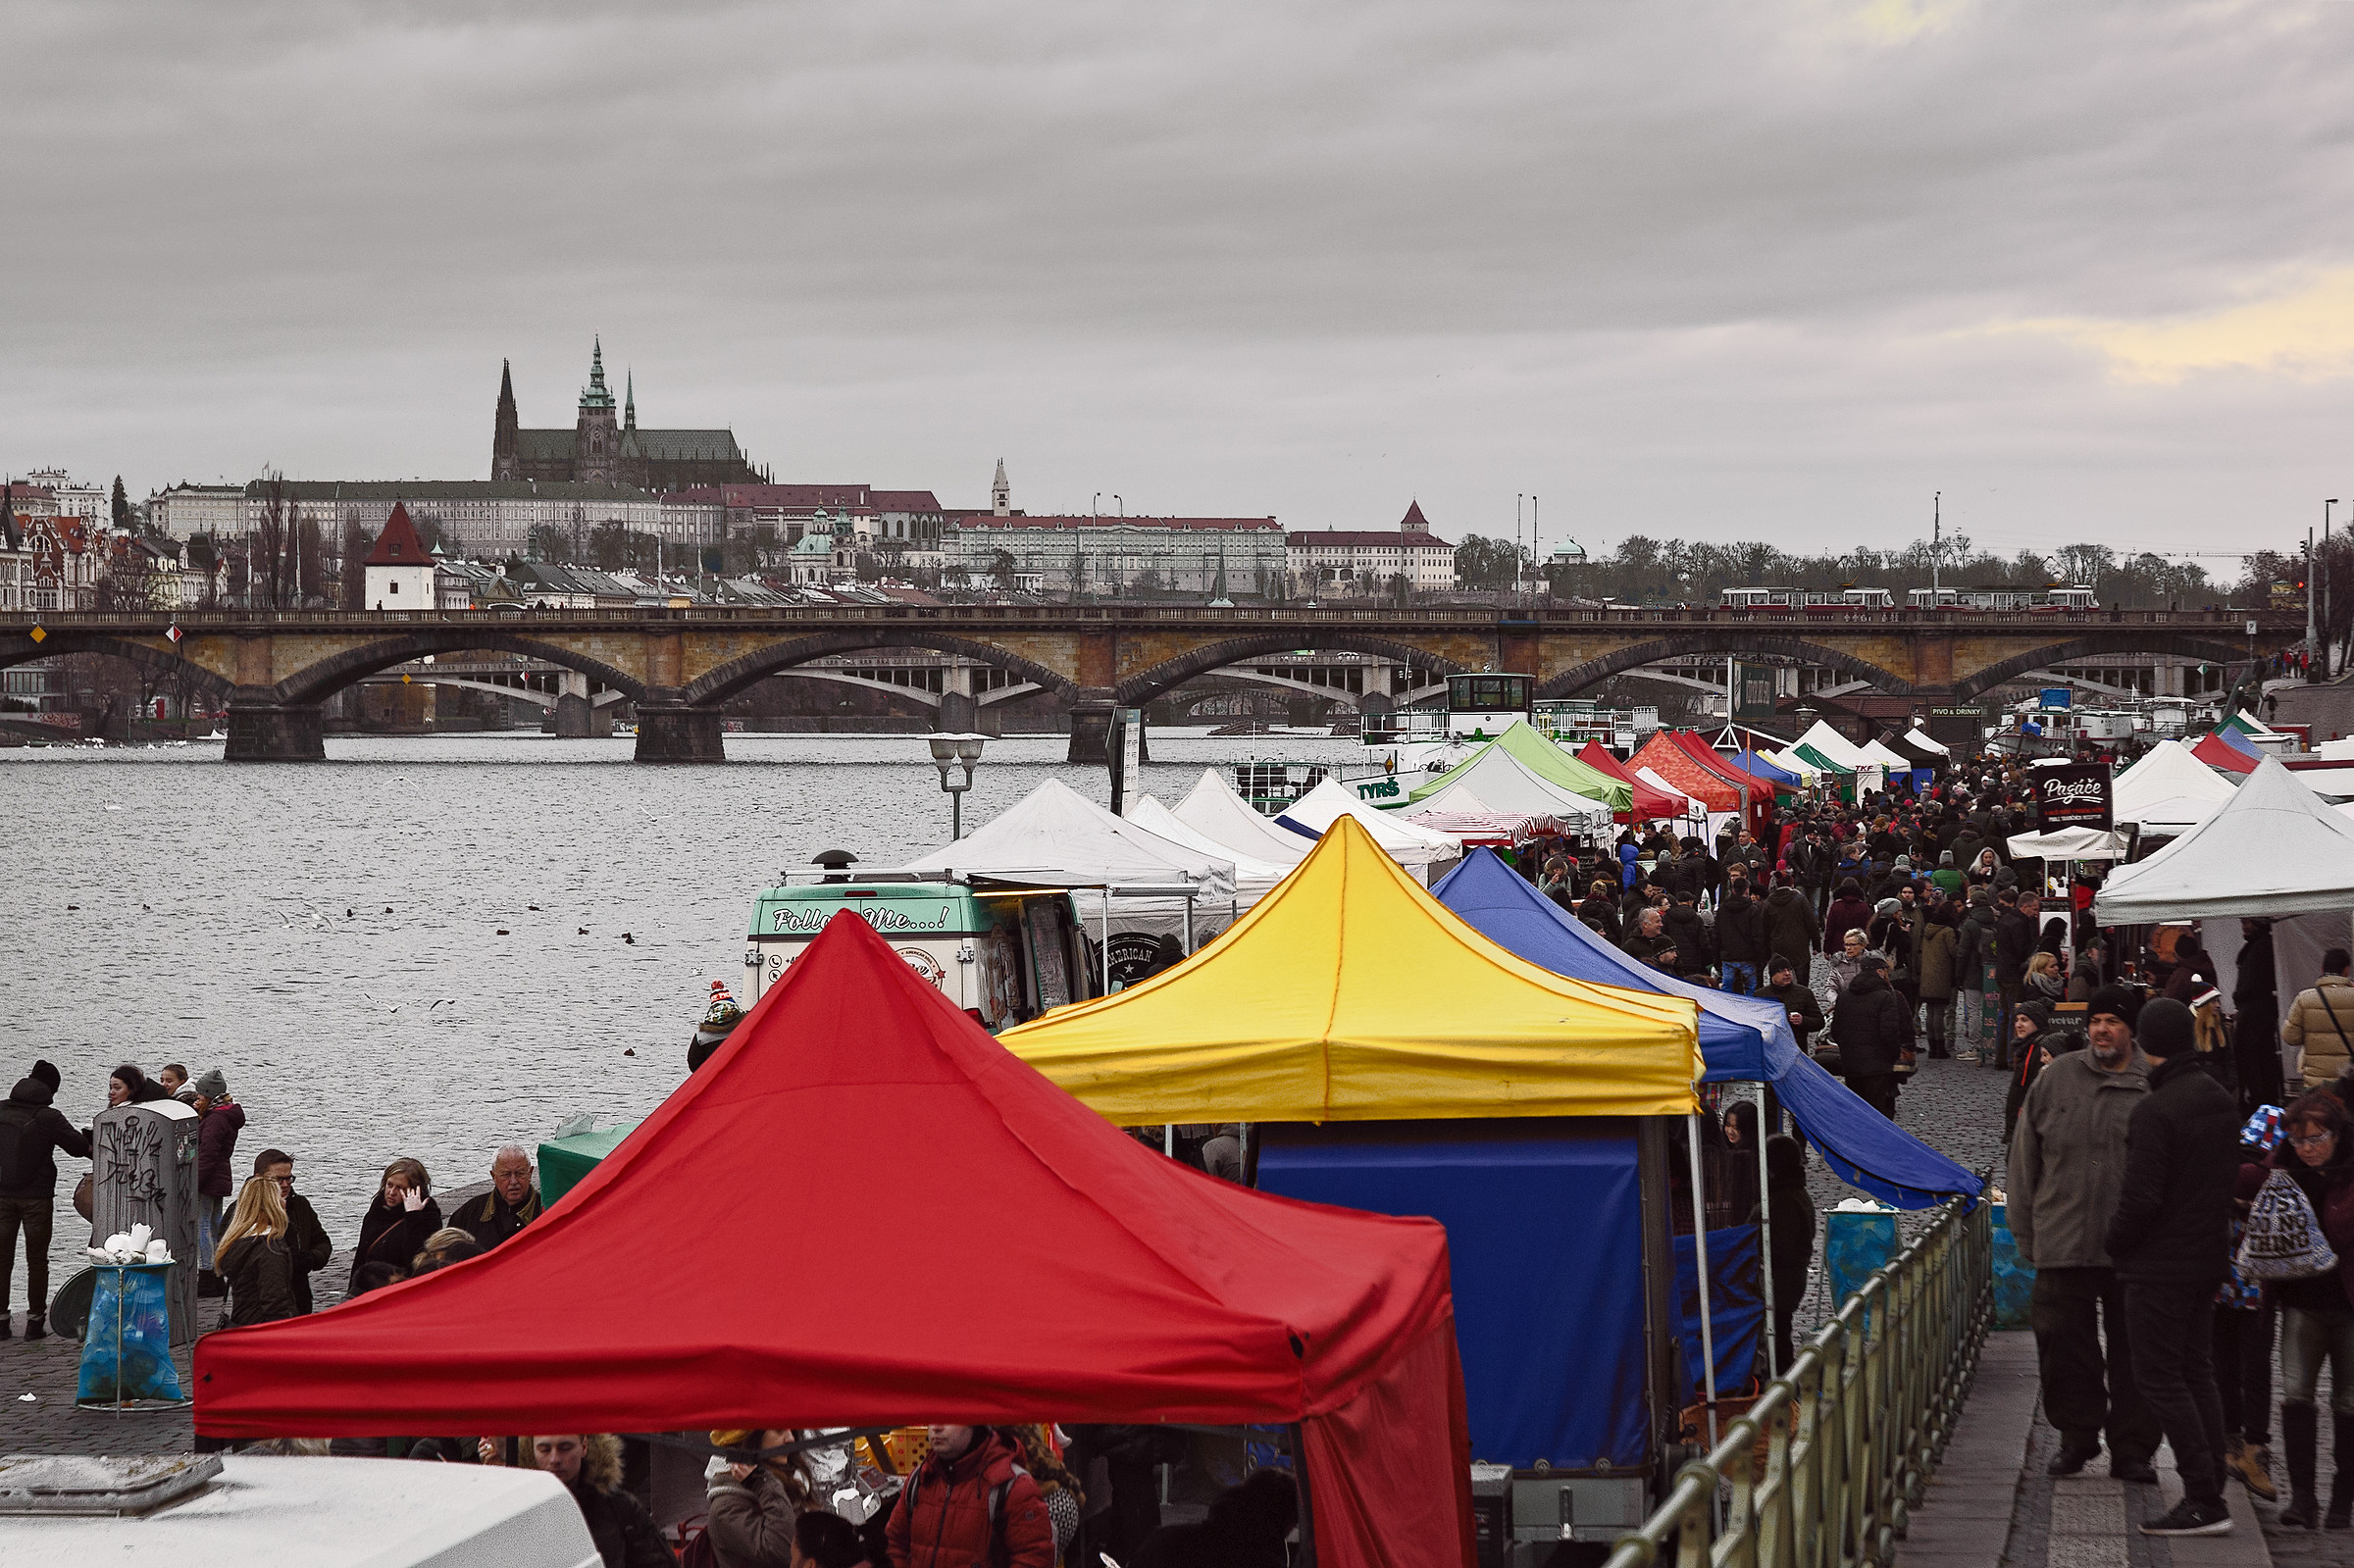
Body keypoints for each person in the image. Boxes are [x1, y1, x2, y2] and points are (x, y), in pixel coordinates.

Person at [2009, 984, 2161, 1485]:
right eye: (2096, 1021)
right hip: (2063, 1236)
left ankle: (2133, 1447)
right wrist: (2026, 1231)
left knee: (2136, 1349)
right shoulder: (2057, 1080)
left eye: (2112, 1021)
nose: (2101, 1029)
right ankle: (2076, 1438)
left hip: (2134, 1247)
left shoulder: (2154, 1083)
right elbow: (2025, 1158)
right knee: (2062, 1345)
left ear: (2130, 1029)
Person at [2104, 997, 2241, 1538]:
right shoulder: (2217, 1098)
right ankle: (2212, 1486)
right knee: (2195, 1369)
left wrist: (2116, 1244)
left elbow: (2141, 1199)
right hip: (2207, 1256)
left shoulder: (2156, 1111)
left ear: (2144, 1043)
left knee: (2160, 1377)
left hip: (2160, 1265)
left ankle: (2203, 1494)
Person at [2267, 1090, 2354, 1529]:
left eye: (2317, 1138)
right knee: (2297, 1397)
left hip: (2350, 1304)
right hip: (2304, 1302)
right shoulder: (2285, 1172)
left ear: (2338, 1136)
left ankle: (2343, 1499)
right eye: (2300, 1140)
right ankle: (2303, 1498)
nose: (2309, 1148)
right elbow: (2250, 1181)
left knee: (2350, 1404)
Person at [0, 1060, 87, 1340]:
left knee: (2, 1259)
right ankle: (34, 1323)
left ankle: (1, 1323)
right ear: (51, 1089)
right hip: (37, 1199)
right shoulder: (49, 1117)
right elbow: (76, 1147)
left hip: (2, 1196)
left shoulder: (1, 1109)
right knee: (37, 1260)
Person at [886, 1425, 1054, 1568]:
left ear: (975, 1423)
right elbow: (894, 1544)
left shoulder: (1013, 1486)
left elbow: (1033, 1559)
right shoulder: (919, 1479)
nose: (935, 1428)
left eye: (948, 1416)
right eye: (931, 1417)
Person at [522, 1434, 677, 1567]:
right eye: (544, 1450)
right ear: (532, 1450)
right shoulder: (519, 1509)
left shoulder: (620, 1508)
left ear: (584, 1447)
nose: (554, 1459)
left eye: (565, 1448)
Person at [249, 1149, 333, 1313]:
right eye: (278, 1179)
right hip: (258, 1301)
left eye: (289, 1178)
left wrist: (310, 1258)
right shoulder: (243, 1211)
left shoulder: (300, 1205)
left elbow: (322, 1241)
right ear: (260, 1179)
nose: (285, 1184)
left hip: (299, 1296)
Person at [705, 1428, 803, 1568]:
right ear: (750, 1440)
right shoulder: (726, 1508)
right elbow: (781, 1553)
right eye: (779, 1429)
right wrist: (761, 1481)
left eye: (792, 1430)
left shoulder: (786, 1485)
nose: (791, 1439)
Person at [215, 1172, 303, 1327]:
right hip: (263, 1332)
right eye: (280, 1198)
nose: (284, 1201)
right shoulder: (269, 1249)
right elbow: (275, 1302)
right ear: (272, 1205)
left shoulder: (239, 1243)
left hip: (244, 1322)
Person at [1830, 954, 1911, 1121]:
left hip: (1852, 1066)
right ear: (1880, 972)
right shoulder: (1885, 997)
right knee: (1879, 1117)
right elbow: (1889, 1034)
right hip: (1878, 1068)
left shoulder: (1845, 996)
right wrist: (1894, 1058)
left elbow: (1836, 1031)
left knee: (1858, 1115)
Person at [349, 1157, 443, 1294]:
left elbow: (418, 1259)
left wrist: (413, 1216)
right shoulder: (377, 1211)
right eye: (389, 1185)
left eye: (400, 1188)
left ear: (414, 1191)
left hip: (403, 1291)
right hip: (371, 1289)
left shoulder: (428, 1216)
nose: (391, 1192)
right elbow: (361, 1257)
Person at [1766, 1134, 1816, 1375]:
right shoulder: (1793, 1192)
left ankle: (1782, 1383)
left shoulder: (1784, 1199)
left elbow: (1780, 1246)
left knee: (1779, 1332)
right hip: (1789, 1279)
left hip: (1781, 1281)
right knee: (1780, 1330)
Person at [192, 1069, 244, 1292]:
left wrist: (195, 1182)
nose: (197, 1100)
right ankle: (217, 1271)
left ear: (209, 1096)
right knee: (214, 1223)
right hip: (221, 1177)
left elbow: (207, 1155)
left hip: (209, 1179)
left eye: (200, 1096)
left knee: (202, 1224)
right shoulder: (225, 1115)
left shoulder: (215, 1120)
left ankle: (207, 1274)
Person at [2282, 946, 2354, 1092]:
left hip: (2316, 1084)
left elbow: (2290, 1037)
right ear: (2346, 970)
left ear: (2322, 970)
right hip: (2349, 1082)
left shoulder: (2304, 999)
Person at [453, 1144, 543, 1249]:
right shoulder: (470, 1213)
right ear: (493, 1176)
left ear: (530, 1173)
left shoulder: (545, 1209)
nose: (513, 1181)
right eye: (506, 1174)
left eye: (520, 1173)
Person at [2235, 919, 2283, 1112]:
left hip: (2254, 1009)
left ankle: (2259, 1100)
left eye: (2248, 923)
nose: (2245, 927)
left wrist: (2238, 996)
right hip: (2260, 1009)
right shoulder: (2260, 945)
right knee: (2264, 1055)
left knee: (2250, 1055)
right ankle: (2266, 1100)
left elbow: (2251, 982)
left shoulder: (2260, 947)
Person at [1916, 906, 1958, 1059]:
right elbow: (1954, 951)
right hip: (1941, 976)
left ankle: (1932, 1047)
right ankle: (1940, 1047)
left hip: (1927, 977)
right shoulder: (1947, 932)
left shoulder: (1928, 930)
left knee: (1930, 1012)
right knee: (1939, 1013)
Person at [1716, 877, 1766, 996]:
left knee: (1726, 992)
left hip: (1728, 957)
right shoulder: (1752, 910)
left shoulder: (1723, 909)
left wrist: (1717, 957)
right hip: (1747, 957)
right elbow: (1757, 937)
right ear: (1746, 891)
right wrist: (1761, 959)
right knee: (1751, 990)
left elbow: (1716, 935)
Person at [1765, 957, 1823, 1055]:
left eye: (1789, 970)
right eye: (1781, 971)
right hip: (1772, 1051)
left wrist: (1803, 1020)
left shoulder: (1804, 993)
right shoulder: (1761, 995)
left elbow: (1819, 1022)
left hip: (1798, 1050)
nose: (1787, 973)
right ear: (1772, 975)